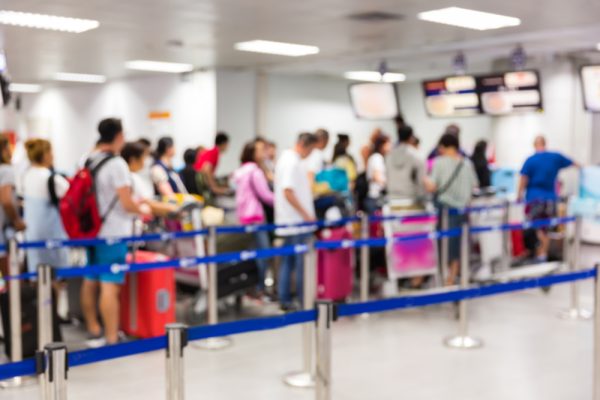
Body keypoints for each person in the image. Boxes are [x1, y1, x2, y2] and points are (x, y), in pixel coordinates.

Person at [80, 118, 150, 347]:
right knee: (110, 285)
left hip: (91, 230)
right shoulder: (118, 164)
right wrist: (143, 209)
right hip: (113, 232)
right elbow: (127, 202)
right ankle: (111, 337)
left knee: (90, 280)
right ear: (118, 136)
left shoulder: (88, 158)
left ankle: (93, 328)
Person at [426, 133, 478, 285]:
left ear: (442, 147)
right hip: (463, 211)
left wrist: (423, 179)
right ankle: (456, 275)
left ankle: (448, 279)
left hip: (446, 211)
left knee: (446, 245)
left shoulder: (439, 162)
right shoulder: (467, 163)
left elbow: (432, 186)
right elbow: (474, 185)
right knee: (459, 244)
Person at [275, 133, 317, 311]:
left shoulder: (287, 159)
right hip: (296, 222)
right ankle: (303, 300)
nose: (311, 153)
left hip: (291, 221)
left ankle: (286, 298)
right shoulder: (291, 162)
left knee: (288, 262)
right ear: (304, 145)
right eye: (311, 149)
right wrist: (306, 214)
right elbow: (288, 191)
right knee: (301, 263)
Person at [518, 135, 577, 261]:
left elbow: (523, 179)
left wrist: (519, 196)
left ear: (535, 145)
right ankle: (543, 254)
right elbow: (575, 163)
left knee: (536, 227)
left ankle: (539, 253)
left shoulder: (530, 160)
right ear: (545, 144)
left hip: (534, 199)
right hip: (551, 199)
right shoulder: (555, 157)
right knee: (547, 227)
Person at [232, 140, 274, 298]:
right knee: (264, 254)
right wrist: (283, 201)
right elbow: (265, 195)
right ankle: (259, 288)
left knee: (249, 254)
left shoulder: (240, 171)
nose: (263, 153)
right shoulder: (255, 171)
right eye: (260, 150)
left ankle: (249, 288)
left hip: (243, 217)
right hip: (256, 217)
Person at [22, 139, 69, 274]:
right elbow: (70, 196)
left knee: (38, 272)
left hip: (32, 234)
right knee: (57, 273)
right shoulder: (52, 178)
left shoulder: (26, 175)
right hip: (52, 233)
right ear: (45, 154)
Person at [0, 136, 26, 279]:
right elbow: (6, 200)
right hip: (3, 233)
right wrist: (17, 221)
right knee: (12, 279)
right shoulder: (6, 170)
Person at [386, 126, 427, 205]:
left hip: (392, 197)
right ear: (411, 137)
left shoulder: (389, 155)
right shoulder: (417, 155)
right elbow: (421, 179)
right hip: (412, 199)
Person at [194, 132, 231, 202]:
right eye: (227, 144)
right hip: (198, 178)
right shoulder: (215, 152)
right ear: (224, 144)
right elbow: (206, 169)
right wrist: (214, 188)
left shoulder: (213, 151)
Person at [365, 134, 391, 214]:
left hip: (376, 198)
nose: (390, 147)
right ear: (382, 145)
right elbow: (377, 177)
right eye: (388, 144)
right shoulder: (377, 158)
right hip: (376, 198)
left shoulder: (378, 157)